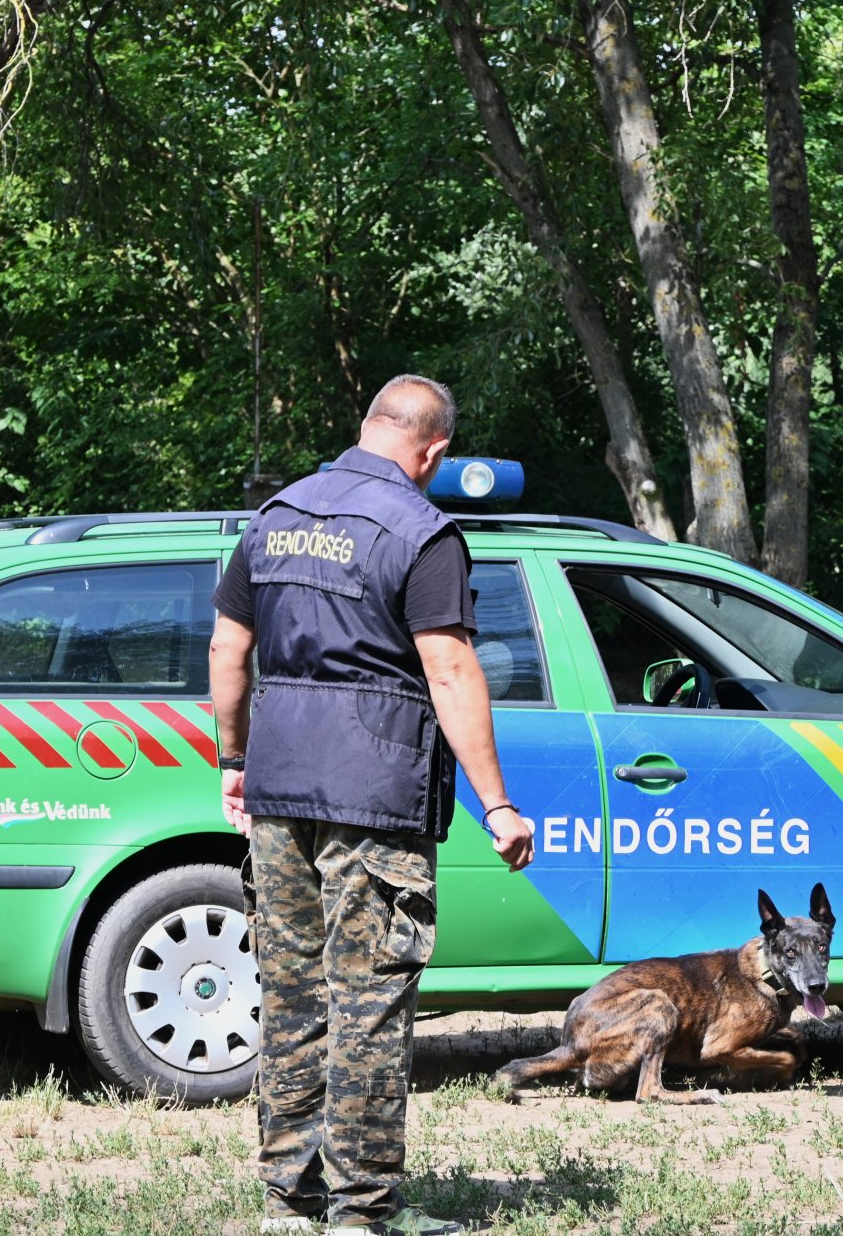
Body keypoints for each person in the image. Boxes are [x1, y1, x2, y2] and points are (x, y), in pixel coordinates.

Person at [210, 375, 534, 1236]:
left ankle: (290, 1203)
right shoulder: (423, 532)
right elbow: (453, 670)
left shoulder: (274, 516)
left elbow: (227, 646)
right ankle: (362, 1213)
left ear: (367, 428)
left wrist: (234, 760)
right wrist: (497, 804)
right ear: (433, 452)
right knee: (368, 1002)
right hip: (375, 798)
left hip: (280, 791)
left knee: (289, 997)